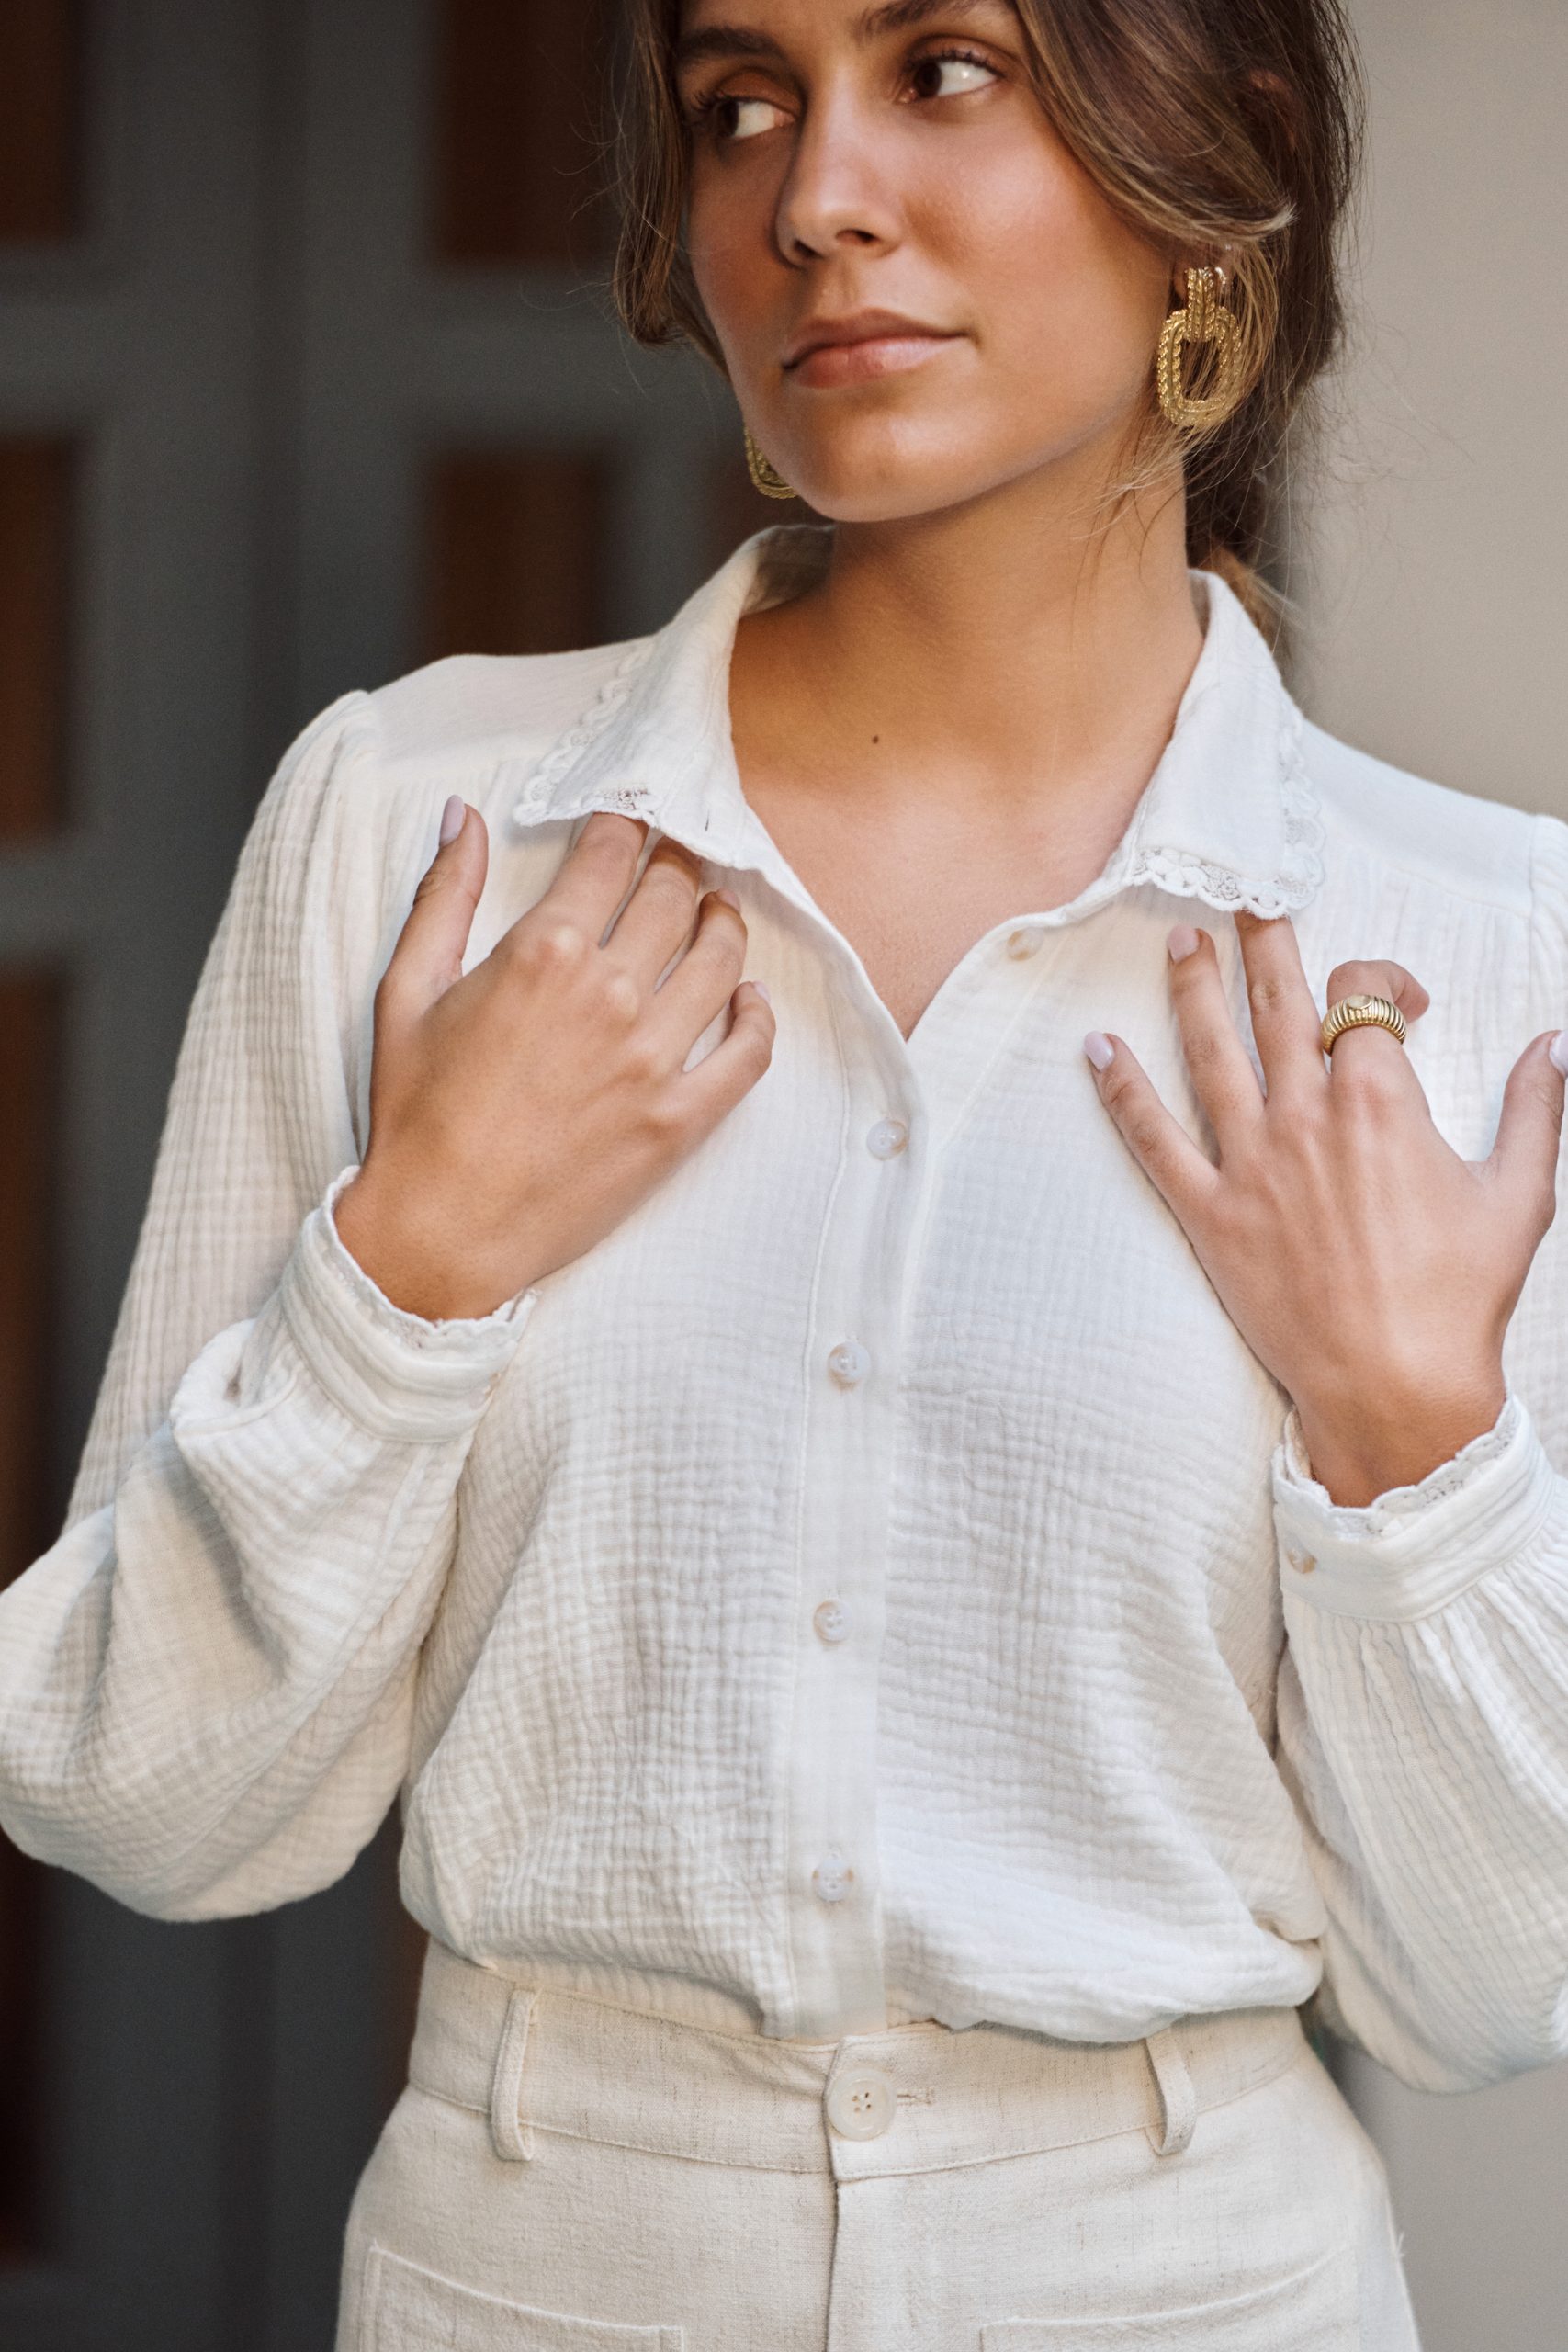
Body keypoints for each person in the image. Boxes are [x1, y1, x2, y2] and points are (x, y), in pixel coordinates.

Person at [3, 0, 1567, 2343]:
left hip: (1192, 2281)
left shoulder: (1463, 953)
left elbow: (1490, 1986)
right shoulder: (423, 828)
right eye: (740, 104)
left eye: (941, 68)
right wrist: (404, 1274)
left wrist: (1405, 1448)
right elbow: (150, 1794)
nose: (808, 195)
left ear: (1208, 175)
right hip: (527, 2270)